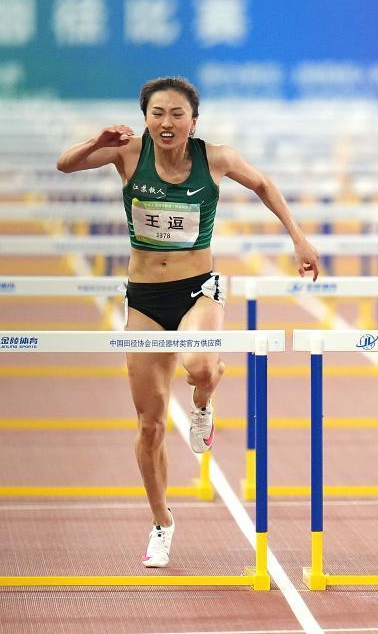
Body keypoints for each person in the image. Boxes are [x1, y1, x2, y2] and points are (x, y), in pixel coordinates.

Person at [56, 76, 319, 567]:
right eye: (157, 113)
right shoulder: (128, 155)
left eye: (177, 113)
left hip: (199, 288)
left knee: (199, 365)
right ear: (145, 119)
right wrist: (97, 141)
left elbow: (264, 183)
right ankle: (162, 522)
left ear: (193, 120)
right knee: (150, 423)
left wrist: (299, 239)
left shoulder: (214, 158)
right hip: (144, 298)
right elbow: (64, 164)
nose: (167, 122)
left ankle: (204, 402)